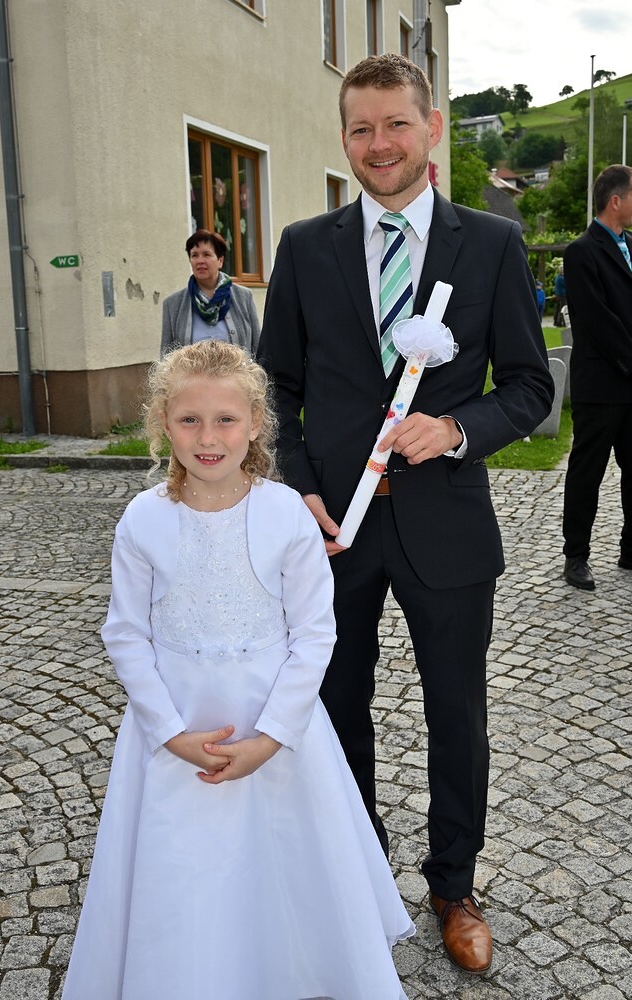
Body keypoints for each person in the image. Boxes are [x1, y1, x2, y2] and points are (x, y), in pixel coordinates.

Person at [258, 53, 553, 975]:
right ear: (345, 137)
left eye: (395, 124)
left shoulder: (491, 244)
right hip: (331, 531)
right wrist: (299, 483)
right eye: (361, 128)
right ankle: (357, 877)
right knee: (334, 706)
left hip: (446, 523)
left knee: (456, 716)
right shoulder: (305, 245)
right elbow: (276, 386)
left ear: (431, 129)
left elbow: (531, 386)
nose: (378, 144)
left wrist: (459, 429)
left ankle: (453, 886)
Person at [62, 340, 414, 1000]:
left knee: (281, 864)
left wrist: (273, 736)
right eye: (189, 420)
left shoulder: (286, 514)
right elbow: (126, 634)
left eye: (225, 419)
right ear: (162, 423)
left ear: (255, 423)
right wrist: (168, 733)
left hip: (273, 728)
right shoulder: (143, 520)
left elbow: (314, 633)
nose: (208, 437)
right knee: (184, 866)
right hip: (176, 731)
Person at [562, 164, 632, 591]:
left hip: (631, 385)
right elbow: (597, 321)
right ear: (616, 200)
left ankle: (630, 547)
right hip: (601, 384)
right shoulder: (581, 251)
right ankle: (576, 556)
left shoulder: (631, 246)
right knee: (587, 473)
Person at [160, 228, 260, 356]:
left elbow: (258, 348)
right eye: (194, 255)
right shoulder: (172, 304)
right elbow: (165, 358)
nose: (200, 261)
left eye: (206, 254)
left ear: (220, 261)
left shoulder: (244, 297)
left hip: (236, 370)